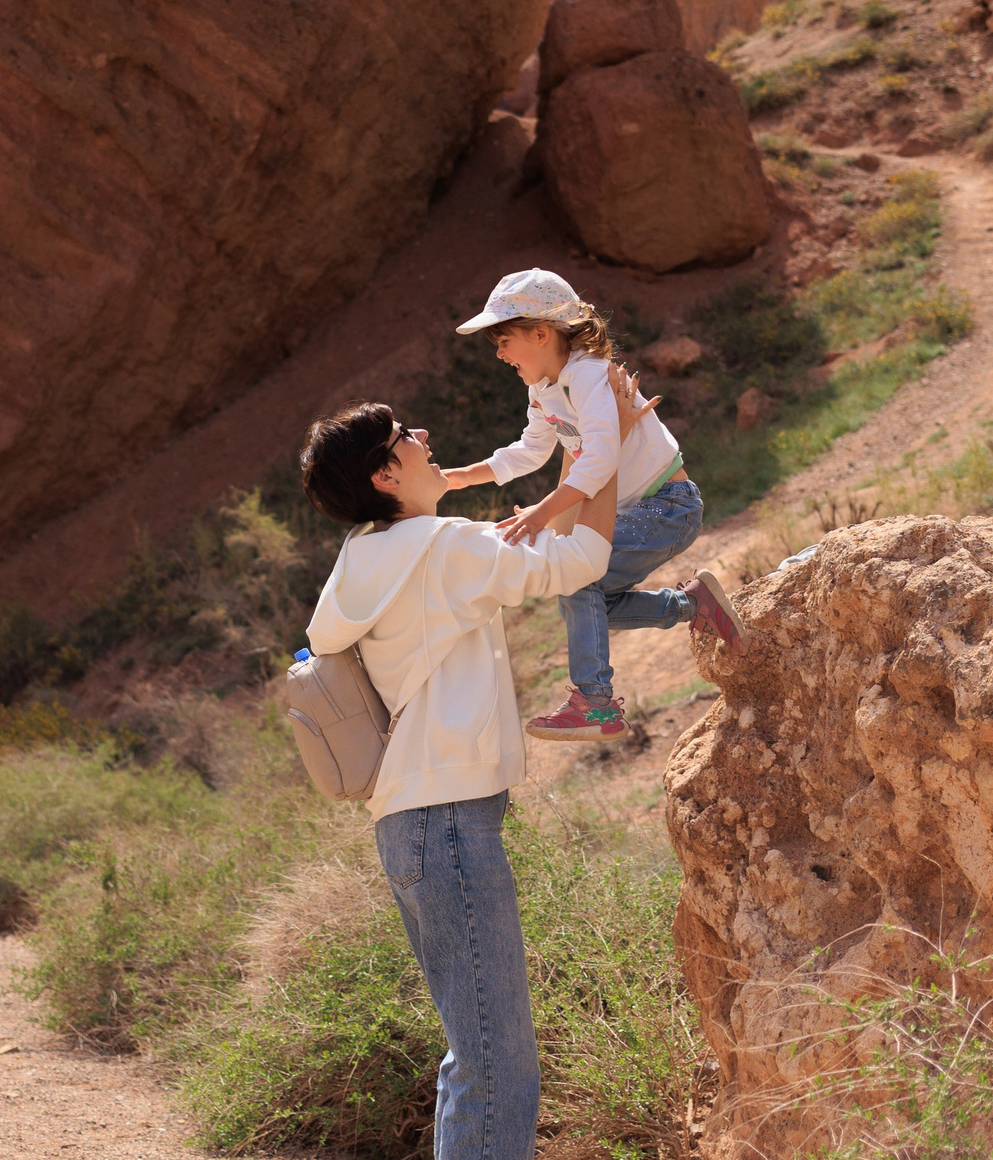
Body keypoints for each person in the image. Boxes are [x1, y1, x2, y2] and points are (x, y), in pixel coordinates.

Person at [299, 401, 614, 1160]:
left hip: (406, 825)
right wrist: (606, 448)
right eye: (406, 436)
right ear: (385, 474)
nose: (424, 438)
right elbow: (582, 561)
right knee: (497, 1063)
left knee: (473, 1056)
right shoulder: (443, 546)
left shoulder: (363, 556)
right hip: (448, 826)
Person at [438, 269, 749, 742]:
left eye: (503, 341)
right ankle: (693, 605)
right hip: (643, 511)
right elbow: (529, 451)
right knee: (586, 598)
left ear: (540, 334)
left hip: (668, 507)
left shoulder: (587, 376)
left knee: (577, 579)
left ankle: (596, 705)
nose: (499, 354)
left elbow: (601, 457)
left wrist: (544, 511)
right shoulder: (543, 390)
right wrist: (458, 478)